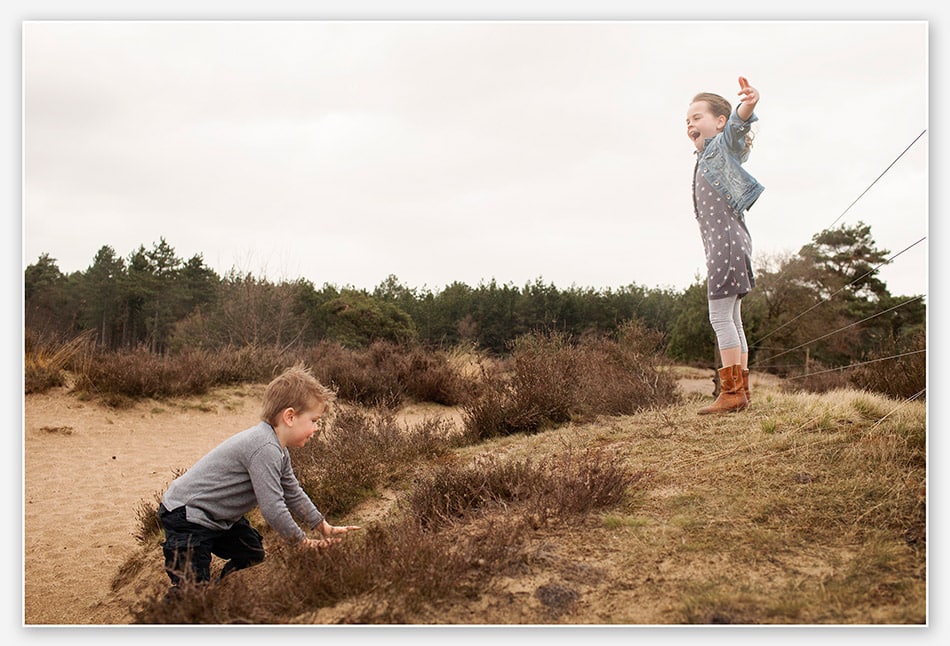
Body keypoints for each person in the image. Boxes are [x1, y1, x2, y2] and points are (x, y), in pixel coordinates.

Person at [157, 364, 361, 589]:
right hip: (187, 515)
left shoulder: (279, 450)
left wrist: (322, 526)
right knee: (191, 591)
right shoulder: (264, 448)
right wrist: (301, 543)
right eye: (314, 420)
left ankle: (220, 593)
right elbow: (273, 507)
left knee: (251, 553)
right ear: (290, 417)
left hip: (217, 519)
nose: (316, 429)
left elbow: (292, 492)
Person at [686, 76, 764, 414]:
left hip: (726, 247)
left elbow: (737, 128)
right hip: (730, 245)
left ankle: (731, 393)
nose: (690, 124)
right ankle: (740, 392)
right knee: (732, 318)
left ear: (719, 121)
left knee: (719, 316)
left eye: (697, 117)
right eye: (687, 121)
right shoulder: (704, 157)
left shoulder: (720, 147)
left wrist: (748, 105)